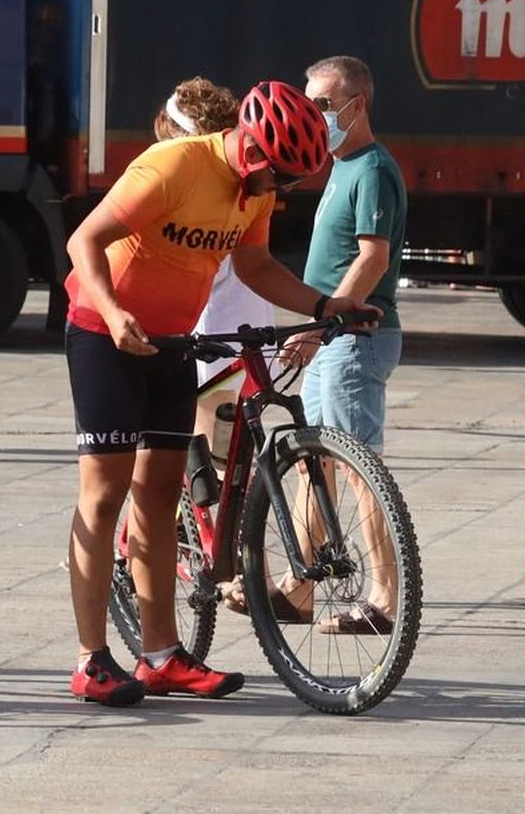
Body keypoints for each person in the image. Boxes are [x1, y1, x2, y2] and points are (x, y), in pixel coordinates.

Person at [64, 80, 375, 706]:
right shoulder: (175, 164)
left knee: (156, 498)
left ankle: (161, 656)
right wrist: (115, 313)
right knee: (105, 497)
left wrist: (326, 305)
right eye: (280, 178)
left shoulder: (251, 190)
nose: (280, 191)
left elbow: (257, 267)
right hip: (106, 335)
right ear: (254, 150)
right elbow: (84, 242)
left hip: (174, 342)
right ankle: (90, 660)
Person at [277, 54, 407, 637]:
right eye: (310, 105)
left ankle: (382, 600)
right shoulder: (341, 164)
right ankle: (299, 586)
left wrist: (322, 322)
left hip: (355, 338)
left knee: (360, 470)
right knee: (314, 466)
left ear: (357, 106)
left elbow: (373, 256)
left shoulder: (372, 168)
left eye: (324, 106)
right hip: (334, 337)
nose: (315, 115)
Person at [153, 80, 276, 453]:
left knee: (210, 474)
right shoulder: (244, 183)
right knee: (231, 467)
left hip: (213, 346)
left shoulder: (193, 191)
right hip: (251, 339)